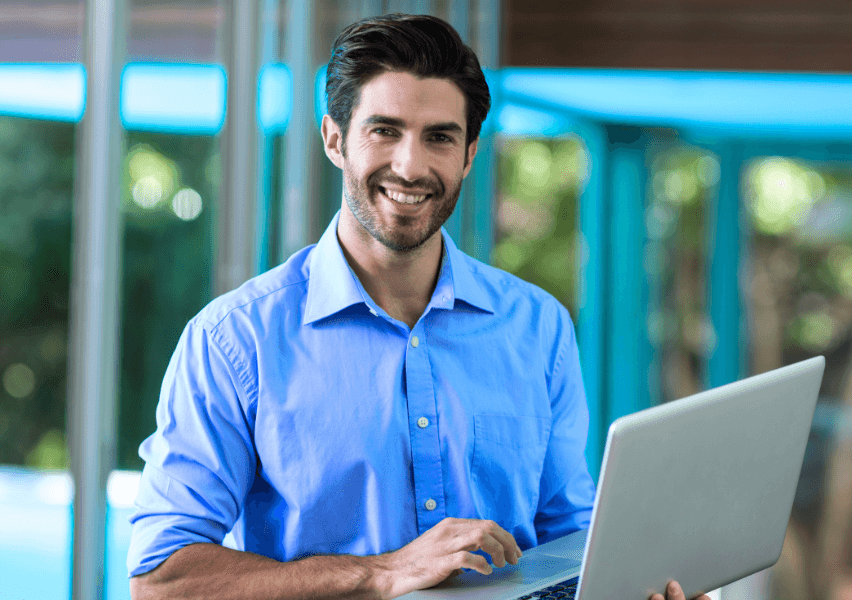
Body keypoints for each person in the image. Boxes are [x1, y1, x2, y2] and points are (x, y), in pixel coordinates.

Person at [128, 13, 708, 600]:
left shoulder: (538, 326)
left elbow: (569, 543)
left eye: (440, 137)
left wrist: (632, 584)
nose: (410, 167)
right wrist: (383, 573)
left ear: (469, 153)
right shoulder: (235, 340)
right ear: (335, 139)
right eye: (385, 130)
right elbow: (161, 580)